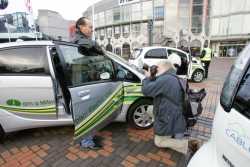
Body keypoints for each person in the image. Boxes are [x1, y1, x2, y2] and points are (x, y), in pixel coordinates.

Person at [142, 60, 188, 154]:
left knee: (158, 142)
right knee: (150, 109)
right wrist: (151, 76)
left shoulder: (165, 79)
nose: (155, 70)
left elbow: (146, 90)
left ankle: (188, 144)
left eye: (157, 67)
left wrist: (146, 78)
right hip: (175, 113)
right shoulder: (172, 77)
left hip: (169, 116)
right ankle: (171, 134)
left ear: (162, 68)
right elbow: (156, 84)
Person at [72, 17, 102, 150]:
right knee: (86, 114)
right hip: (83, 83)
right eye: (89, 26)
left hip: (84, 81)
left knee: (87, 113)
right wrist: (96, 46)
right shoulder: (81, 42)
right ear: (80, 27)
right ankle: (86, 142)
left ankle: (87, 138)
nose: (92, 29)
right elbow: (90, 48)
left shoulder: (82, 42)